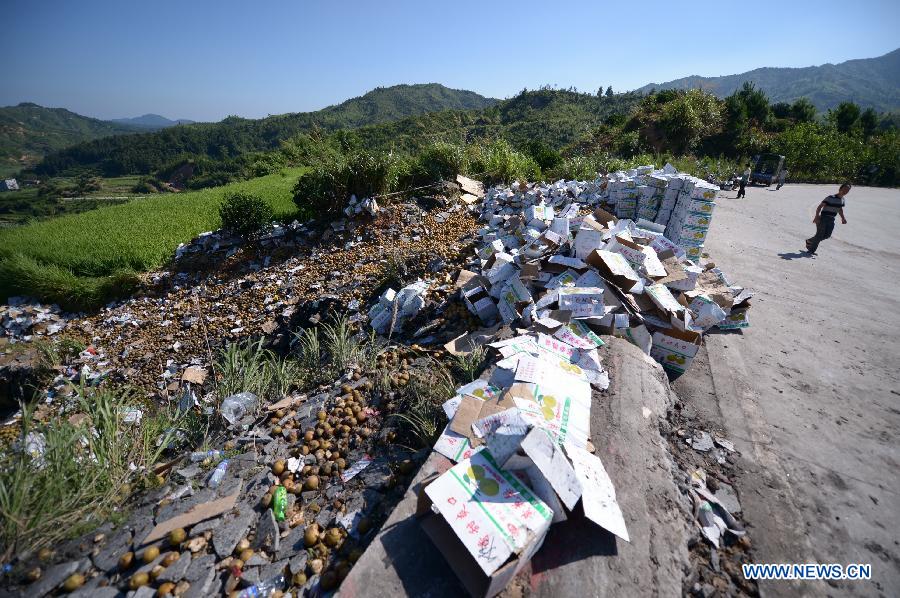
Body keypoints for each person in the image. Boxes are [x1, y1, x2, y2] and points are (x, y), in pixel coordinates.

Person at [805, 183, 850, 254]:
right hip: (823, 218)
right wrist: (816, 216)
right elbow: (820, 207)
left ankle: (810, 241)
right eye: (845, 189)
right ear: (840, 189)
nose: (846, 191)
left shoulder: (843, 200)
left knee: (827, 235)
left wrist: (843, 218)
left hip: (832, 219)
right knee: (819, 235)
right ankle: (811, 250)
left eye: (848, 190)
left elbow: (840, 209)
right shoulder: (830, 197)